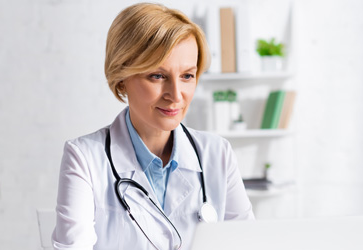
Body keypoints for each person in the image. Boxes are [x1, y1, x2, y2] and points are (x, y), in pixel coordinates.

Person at [52, 3, 254, 250]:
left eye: (187, 76)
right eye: (157, 76)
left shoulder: (217, 153)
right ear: (122, 78)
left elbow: (246, 242)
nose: (176, 95)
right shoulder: (84, 158)